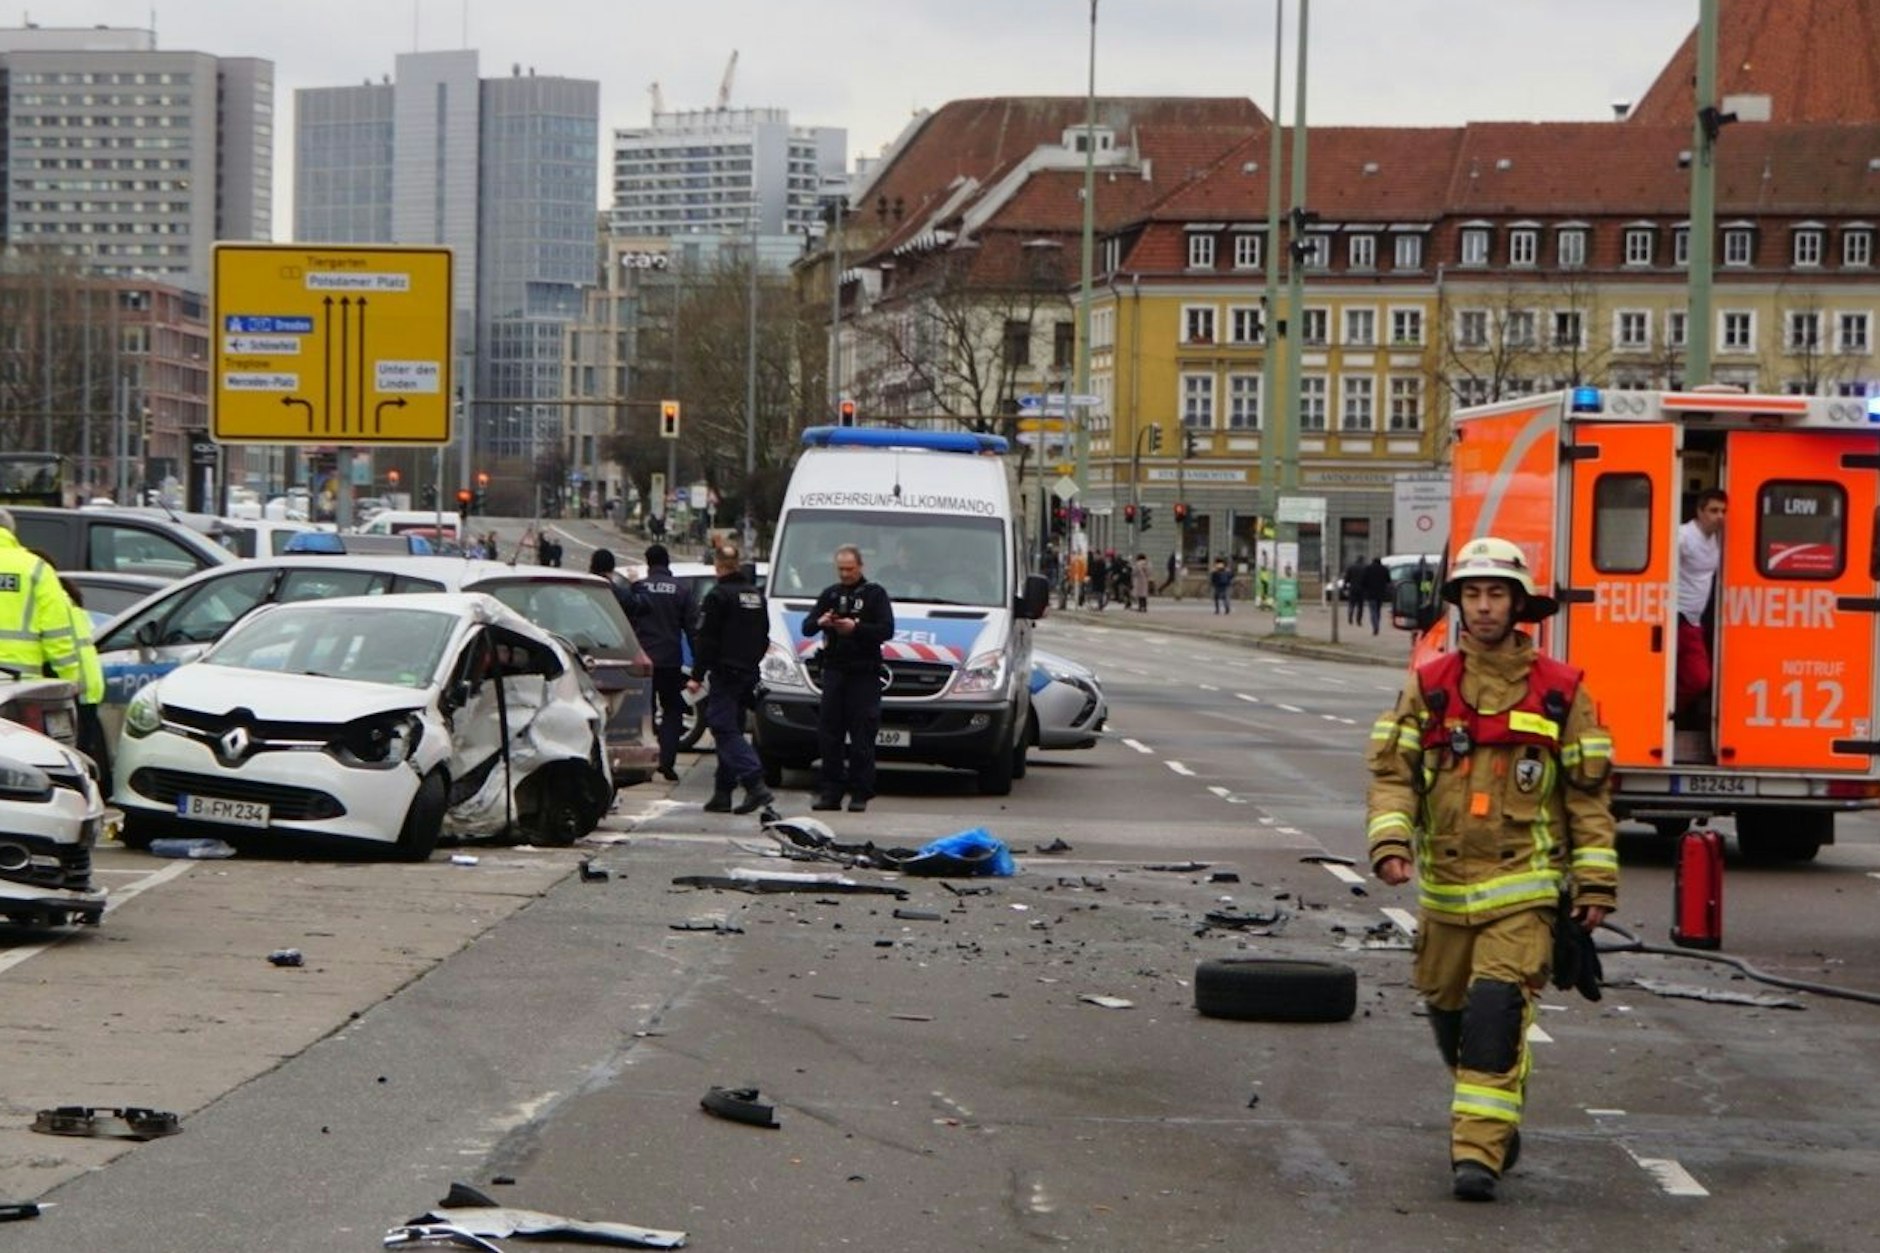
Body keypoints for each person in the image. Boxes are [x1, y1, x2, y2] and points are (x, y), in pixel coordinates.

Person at [1364, 536, 1617, 1203]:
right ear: (1458, 602)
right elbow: (1394, 774)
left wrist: (1594, 882)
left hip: (1524, 891)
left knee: (1495, 1013)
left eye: (1495, 593)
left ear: (1519, 603)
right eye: (1472, 593)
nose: (1482, 606)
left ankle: (1475, 1154)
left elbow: (1588, 798)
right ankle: (1498, 1113)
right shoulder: (1430, 685)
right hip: (1445, 894)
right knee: (1451, 1013)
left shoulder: (1563, 693)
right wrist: (1391, 840)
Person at [803, 543, 895, 812]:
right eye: (841, 569)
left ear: (860, 567)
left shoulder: (875, 595)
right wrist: (823, 622)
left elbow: (886, 630)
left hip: (863, 674)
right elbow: (807, 627)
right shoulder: (829, 594)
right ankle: (831, 791)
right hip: (834, 671)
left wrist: (856, 628)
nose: (845, 574)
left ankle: (860, 792)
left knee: (862, 736)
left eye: (850, 569)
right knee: (829, 734)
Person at [688, 543, 773, 815]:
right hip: (749, 673)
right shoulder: (756, 596)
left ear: (718, 566)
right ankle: (723, 792)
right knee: (732, 727)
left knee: (723, 727)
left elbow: (706, 641)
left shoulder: (718, 596)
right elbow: (764, 638)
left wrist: (697, 675)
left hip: (726, 672)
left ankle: (754, 782)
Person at [622, 543, 697, 782]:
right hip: (670, 659)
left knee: (646, 711)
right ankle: (667, 761)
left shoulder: (640, 588)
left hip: (644, 659)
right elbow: (693, 629)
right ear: (667, 563)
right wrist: (699, 665)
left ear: (648, 563)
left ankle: (647, 760)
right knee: (673, 710)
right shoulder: (681, 591)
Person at [1676, 489, 1727, 718]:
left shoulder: (1718, 539)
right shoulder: (1683, 536)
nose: (1719, 516)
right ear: (1699, 511)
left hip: (1694, 621)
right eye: (1713, 510)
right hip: (1675, 616)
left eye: (1723, 511)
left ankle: (1673, 712)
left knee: (1699, 679)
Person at [56, 574, 109, 780]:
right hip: (87, 690)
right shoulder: (75, 610)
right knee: (81, 755)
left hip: (74, 689)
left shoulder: (59, 604)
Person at [1360, 555, 1392, 635]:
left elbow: (1363, 581)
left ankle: (1375, 626)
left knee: (1372, 611)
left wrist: (1365, 589)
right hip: (1380, 593)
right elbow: (1388, 580)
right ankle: (1377, 623)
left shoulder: (1368, 569)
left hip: (1371, 593)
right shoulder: (1384, 569)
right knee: (1378, 610)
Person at [1343, 557, 1367, 626]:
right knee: (1360, 606)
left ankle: (1350, 616)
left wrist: (1345, 587)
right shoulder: (1365, 568)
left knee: (1351, 604)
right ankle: (1359, 620)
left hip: (1352, 588)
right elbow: (1366, 579)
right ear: (1362, 561)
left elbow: (1346, 578)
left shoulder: (1351, 567)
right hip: (1362, 589)